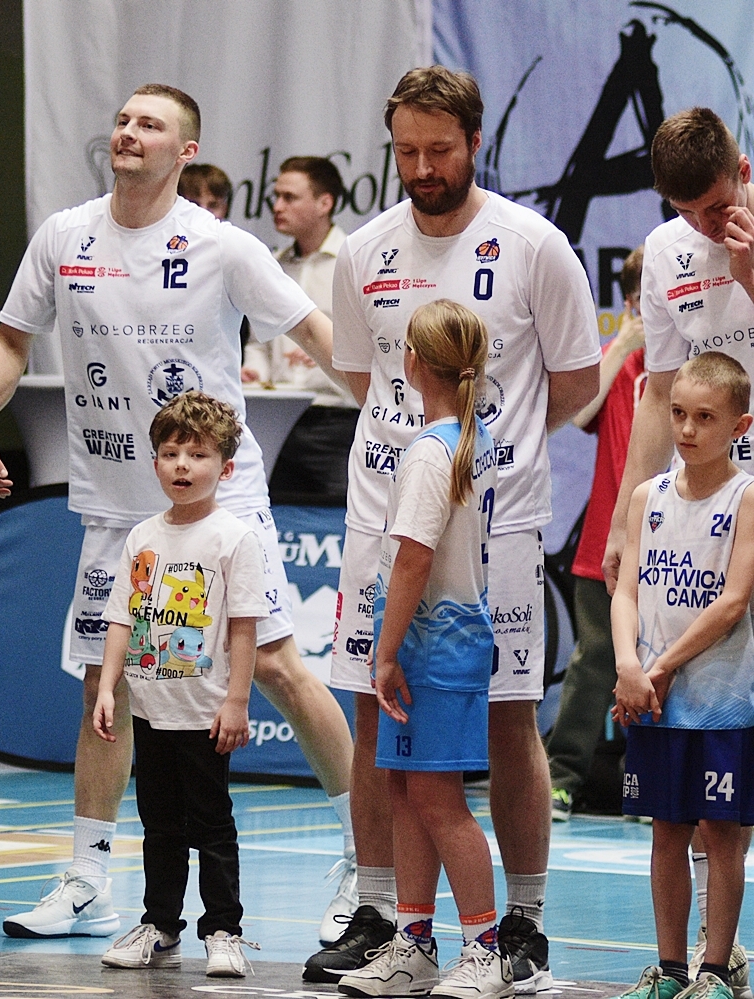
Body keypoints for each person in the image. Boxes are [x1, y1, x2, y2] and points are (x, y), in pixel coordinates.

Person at [0, 83, 358, 947]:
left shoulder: (221, 246)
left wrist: (398, 409)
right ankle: (89, 879)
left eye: (150, 125)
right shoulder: (65, 236)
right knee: (105, 688)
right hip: (116, 508)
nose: (128, 132)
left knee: (279, 667)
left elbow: (316, 333)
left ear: (186, 151)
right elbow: (12, 339)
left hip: (221, 503)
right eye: (123, 120)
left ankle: (364, 860)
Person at [313, 66, 600, 990]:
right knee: (375, 707)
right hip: (381, 515)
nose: (423, 167)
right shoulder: (365, 250)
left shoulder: (533, 244)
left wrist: (477, 457)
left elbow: (577, 384)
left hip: (496, 526)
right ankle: (386, 916)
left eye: (440, 150)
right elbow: (362, 376)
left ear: (476, 141)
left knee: (509, 715)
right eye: (406, 151)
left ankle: (521, 925)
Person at [601, 110, 754, 992]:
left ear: (743, 168)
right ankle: (707, 952)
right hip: (700, 505)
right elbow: (660, 393)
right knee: (703, 732)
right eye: (685, 210)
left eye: (716, 204)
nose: (703, 223)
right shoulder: (666, 251)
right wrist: (629, 517)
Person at [337, 299, 510, 999]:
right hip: (434, 646)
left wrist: (385, 653)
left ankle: (486, 951)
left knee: (439, 801)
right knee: (407, 793)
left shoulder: (432, 453)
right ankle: (414, 943)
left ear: (412, 362)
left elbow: (413, 558)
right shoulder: (465, 438)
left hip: (435, 649)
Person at [90, 392, 266, 979]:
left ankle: (223, 930)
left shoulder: (233, 539)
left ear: (226, 468)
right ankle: (160, 923)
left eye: (198, 455)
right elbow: (122, 617)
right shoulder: (142, 536)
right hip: (150, 709)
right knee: (158, 824)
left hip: (205, 711)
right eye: (170, 454)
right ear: (155, 462)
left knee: (212, 824)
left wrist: (237, 701)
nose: (182, 466)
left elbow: (244, 628)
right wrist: (109, 687)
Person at [609, 350, 754, 999]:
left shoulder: (746, 497)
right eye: (678, 414)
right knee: (665, 830)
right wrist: (628, 666)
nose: (687, 429)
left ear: (740, 426)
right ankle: (668, 970)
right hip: (653, 697)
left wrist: (661, 666)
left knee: (721, 832)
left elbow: (733, 600)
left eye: (705, 417)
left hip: (723, 701)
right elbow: (626, 591)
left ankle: (715, 970)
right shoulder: (648, 497)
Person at [546, 246, 646, 822]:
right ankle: (561, 780)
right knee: (594, 662)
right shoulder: (618, 361)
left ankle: (652, 784)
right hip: (605, 543)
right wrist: (624, 346)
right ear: (631, 302)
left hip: (678, 544)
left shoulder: (697, 362)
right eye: (644, 297)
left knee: (667, 666)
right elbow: (580, 413)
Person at [243, 155, 359, 505]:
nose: (277, 206)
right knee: (274, 515)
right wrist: (255, 373)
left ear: (325, 203)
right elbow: (258, 341)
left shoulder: (356, 260)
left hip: (337, 419)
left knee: (338, 520)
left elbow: (373, 340)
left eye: (289, 197)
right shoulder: (273, 265)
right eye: (276, 196)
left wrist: (324, 353)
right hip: (274, 418)